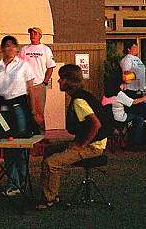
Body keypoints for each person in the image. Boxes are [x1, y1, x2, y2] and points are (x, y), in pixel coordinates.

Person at [36, 64, 107, 210]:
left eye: (61, 79)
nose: (58, 82)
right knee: (50, 150)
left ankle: (50, 199)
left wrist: (80, 145)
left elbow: (96, 125)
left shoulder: (79, 101)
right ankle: (52, 192)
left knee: (52, 163)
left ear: (69, 81)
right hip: (86, 142)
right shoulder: (81, 96)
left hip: (93, 147)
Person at [0, 35, 39, 196]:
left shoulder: (24, 66)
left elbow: (30, 89)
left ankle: (22, 181)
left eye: (12, 46)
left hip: (19, 106)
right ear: (2, 48)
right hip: (1, 108)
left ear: (17, 48)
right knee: (5, 143)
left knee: (20, 142)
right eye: (6, 46)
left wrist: (34, 110)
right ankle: (12, 183)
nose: (9, 49)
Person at [19, 27, 56, 133]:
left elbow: (50, 67)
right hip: (25, 86)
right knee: (27, 111)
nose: (33, 35)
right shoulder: (24, 49)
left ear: (40, 35)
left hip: (38, 85)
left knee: (38, 113)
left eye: (35, 33)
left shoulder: (45, 49)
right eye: (31, 33)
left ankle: (41, 136)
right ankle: (29, 135)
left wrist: (45, 81)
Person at [119, 41, 146, 145]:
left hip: (140, 90)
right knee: (135, 116)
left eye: (137, 47)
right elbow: (125, 76)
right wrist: (135, 77)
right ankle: (132, 139)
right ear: (128, 49)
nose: (136, 49)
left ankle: (136, 139)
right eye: (134, 47)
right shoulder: (127, 60)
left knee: (140, 116)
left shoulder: (138, 59)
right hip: (131, 91)